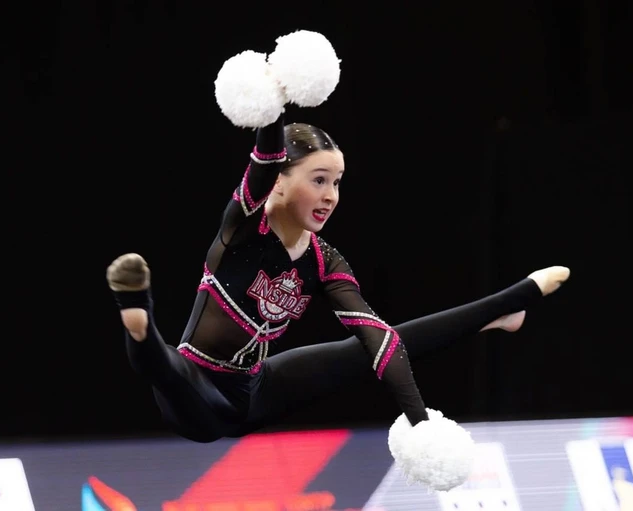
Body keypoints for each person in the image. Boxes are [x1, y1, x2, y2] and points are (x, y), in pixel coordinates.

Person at [106, 30, 570, 492]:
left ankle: (506, 307)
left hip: (255, 391)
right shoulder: (245, 228)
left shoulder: (325, 260)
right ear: (280, 182)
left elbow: (378, 338)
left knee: (373, 344)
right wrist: (273, 97)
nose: (331, 196)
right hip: (197, 392)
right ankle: (138, 316)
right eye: (319, 180)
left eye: (337, 182)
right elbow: (265, 156)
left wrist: (420, 424)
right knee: (166, 366)